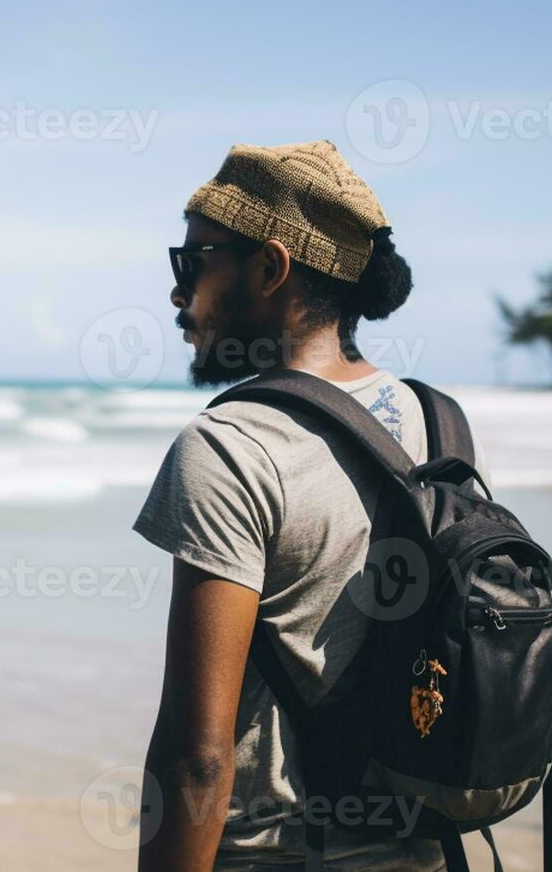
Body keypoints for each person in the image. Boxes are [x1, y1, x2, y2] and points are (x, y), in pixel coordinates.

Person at [134, 141, 483, 872]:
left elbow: (196, 757)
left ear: (269, 267)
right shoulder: (436, 420)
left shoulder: (229, 446)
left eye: (190, 261)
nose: (175, 295)